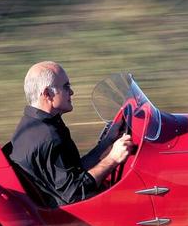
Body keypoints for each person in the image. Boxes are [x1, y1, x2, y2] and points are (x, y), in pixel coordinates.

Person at [8, 62, 133, 207]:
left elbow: (74, 170)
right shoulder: (49, 137)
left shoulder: (33, 124)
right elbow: (75, 194)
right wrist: (112, 159)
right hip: (65, 217)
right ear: (47, 94)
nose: (72, 92)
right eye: (66, 87)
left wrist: (107, 142)